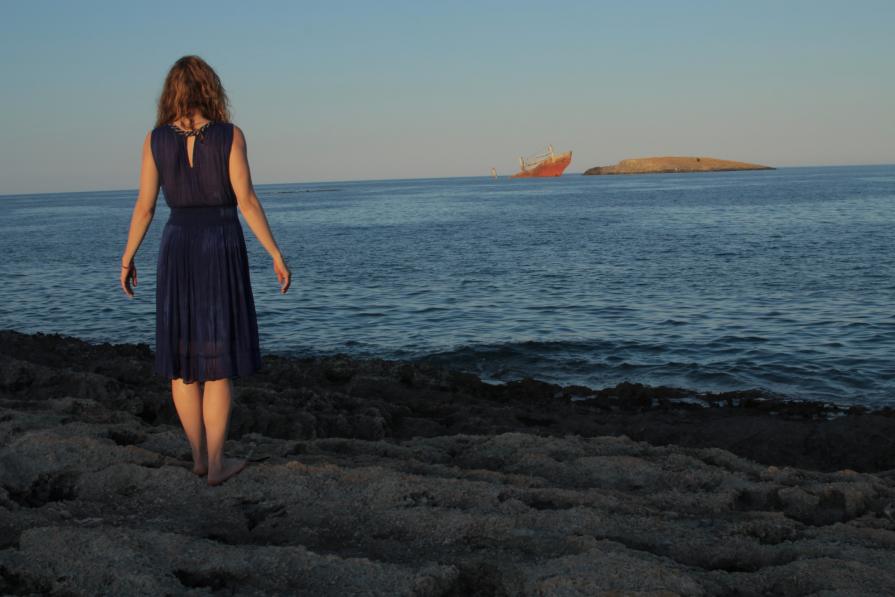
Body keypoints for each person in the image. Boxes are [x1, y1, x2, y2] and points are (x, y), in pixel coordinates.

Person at [119, 55, 291, 486]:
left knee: (182, 360)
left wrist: (127, 257)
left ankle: (197, 458)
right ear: (211, 89)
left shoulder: (154, 139)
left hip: (177, 244)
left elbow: (144, 207)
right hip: (219, 243)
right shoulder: (231, 136)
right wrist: (275, 253)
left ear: (170, 92)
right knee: (217, 362)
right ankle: (217, 465)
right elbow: (247, 200)